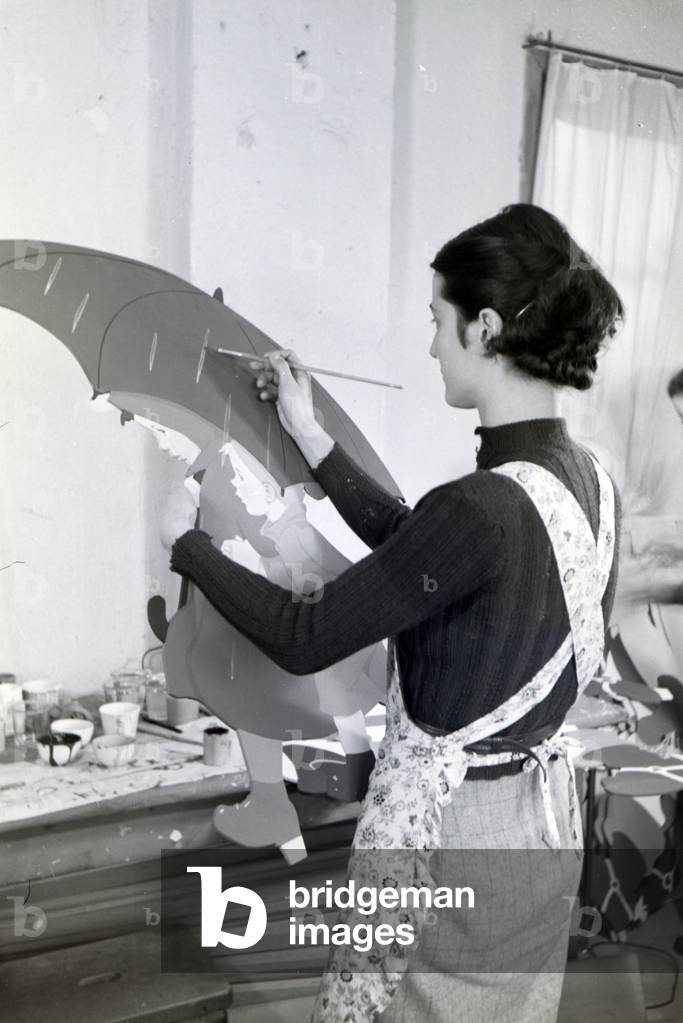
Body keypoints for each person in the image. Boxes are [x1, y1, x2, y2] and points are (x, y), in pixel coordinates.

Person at [162, 203, 623, 1022]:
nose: (431, 345)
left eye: (438, 323)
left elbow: (306, 636)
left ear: (485, 328)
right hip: (538, 833)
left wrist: (189, 548)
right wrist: (311, 437)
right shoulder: (588, 483)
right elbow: (427, 556)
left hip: (450, 840)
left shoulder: (481, 505)